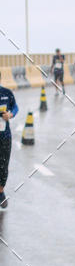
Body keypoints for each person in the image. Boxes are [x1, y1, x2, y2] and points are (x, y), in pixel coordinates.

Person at [0, 72, 18, 211]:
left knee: (4, 166)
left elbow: (15, 107)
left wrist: (10, 114)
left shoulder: (6, 93)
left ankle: (0, 192)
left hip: (4, 136)